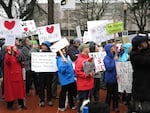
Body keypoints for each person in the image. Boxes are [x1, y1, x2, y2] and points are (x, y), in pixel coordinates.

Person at [129, 35, 150, 113]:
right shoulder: (135, 56)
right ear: (139, 46)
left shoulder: (145, 52)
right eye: (145, 42)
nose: (147, 43)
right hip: (142, 89)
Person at [4, 46, 26, 110]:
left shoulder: (17, 55)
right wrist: (9, 54)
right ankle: (10, 105)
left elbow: (21, 64)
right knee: (11, 91)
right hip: (10, 77)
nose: (15, 49)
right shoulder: (8, 55)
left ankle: (21, 104)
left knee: (20, 90)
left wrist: (22, 62)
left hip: (18, 75)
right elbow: (7, 61)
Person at [75, 44, 95, 113]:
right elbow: (77, 72)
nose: (88, 48)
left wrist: (93, 72)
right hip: (83, 85)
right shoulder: (79, 60)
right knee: (82, 101)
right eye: (87, 47)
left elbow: (92, 69)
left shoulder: (89, 58)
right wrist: (86, 75)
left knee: (88, 101)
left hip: (89, 84)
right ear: (83, 49)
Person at [56, 47, 77, 111]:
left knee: (71, 93)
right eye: (63, 50)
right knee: (63, 93)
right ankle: (61, 106)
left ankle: (72, 105)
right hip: (65, 80)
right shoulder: (59, 60)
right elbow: (62, 70)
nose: (64, 50)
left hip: (71, 78)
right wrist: (64, 64)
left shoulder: (66, 57)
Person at [103, 44, 119, 112]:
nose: (113, 49)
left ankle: (115, 107)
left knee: (116, 94)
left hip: (116, 78)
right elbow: (109, 68)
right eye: (112, 48)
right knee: (109, 94)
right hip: (110, 79)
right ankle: (106, 107)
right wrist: (114, 60)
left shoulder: (114, 57)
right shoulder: (106, 58)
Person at [38, 41, 54, 107]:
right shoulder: (39, 53)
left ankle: (49, 99)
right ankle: (42, 100)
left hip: (49, 73)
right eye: (42, 45)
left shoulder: (51, 54)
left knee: (49, 86)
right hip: (41, 72)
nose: (42, 46)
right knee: (41, 86)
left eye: (44, 45)